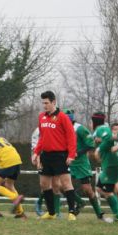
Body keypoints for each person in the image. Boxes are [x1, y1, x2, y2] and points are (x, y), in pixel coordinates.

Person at [31, 91, 78, 221]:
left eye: (46, 103)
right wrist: (36, 152)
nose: (44, 105)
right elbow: (42, 137)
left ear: (53, 102)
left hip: (60, 155)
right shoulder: (41, 117)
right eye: (43, 103)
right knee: (44, 184)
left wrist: (71, 155)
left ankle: (72, 212)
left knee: (66, 184)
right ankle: (51, 213)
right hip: (46, 156)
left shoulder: (62, 117)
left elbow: (71, 137)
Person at [65, 109, 110, 222]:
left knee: (87, 190)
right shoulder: (62, 129)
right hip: (67, 162)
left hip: (81, 164)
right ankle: (80, 202)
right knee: (61, 185)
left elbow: (91, 144)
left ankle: (99, 214)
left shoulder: (80, 129)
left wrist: (77, 154)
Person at [92, 113, 118, 218]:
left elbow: (108, 140)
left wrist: (98, 149)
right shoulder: (104, 130)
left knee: (107, 191)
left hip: (112, 164)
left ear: (93, 122)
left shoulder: (101, 129)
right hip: (112, 164)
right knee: (99, 188)